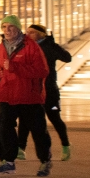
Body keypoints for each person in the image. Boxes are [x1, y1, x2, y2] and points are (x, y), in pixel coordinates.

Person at [0, 15, 53, 177]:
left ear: (18, 29)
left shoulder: (31, 47)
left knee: (38, 130)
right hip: (7, 94)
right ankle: (8, 162)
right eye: (4, 27)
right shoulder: (0, 48)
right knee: (4, 127)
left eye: (10, 27)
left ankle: (45, 160)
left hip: (28, 95)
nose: (7, 30)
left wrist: (15, 68)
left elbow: (42, 71)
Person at [19, 24, 72, 161]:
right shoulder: (26, 47)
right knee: (26, 118)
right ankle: (21, 148)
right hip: (32, 89)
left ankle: (65, 144)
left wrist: (54, 45)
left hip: (49, 90)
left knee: (54, 117)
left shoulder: (50, 46)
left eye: (32, 32)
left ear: (40, 34)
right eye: (27, 32)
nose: (28, 34)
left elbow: (67, 58)